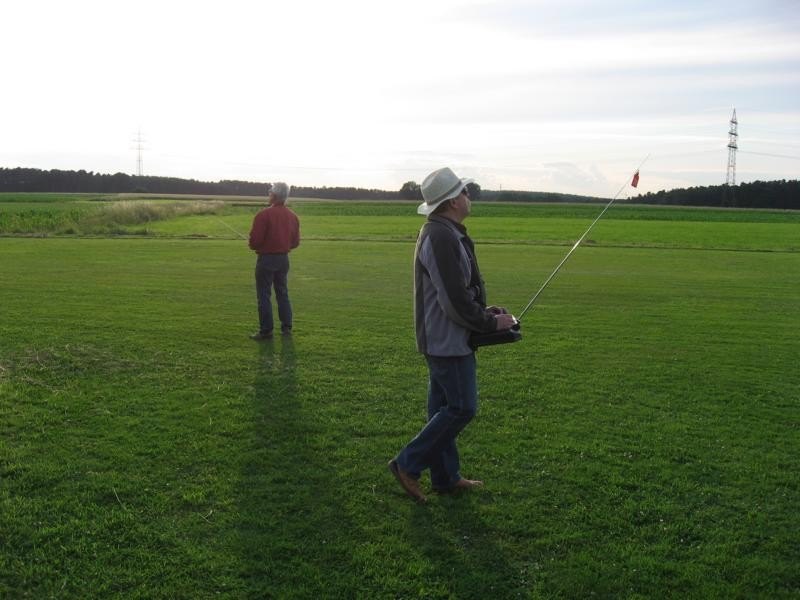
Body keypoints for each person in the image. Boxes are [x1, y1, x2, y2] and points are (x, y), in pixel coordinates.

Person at [389, 167, 517, 502]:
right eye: (463, 192)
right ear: (451, 202)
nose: (468, 196)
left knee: (442, 409)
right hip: (446, 339)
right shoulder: (441, 236)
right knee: (461, 407)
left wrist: (486, 312)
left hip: (445, 336)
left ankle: (445, 478)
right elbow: (453, 299)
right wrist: (489, 324)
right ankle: (407, 464)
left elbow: (458, 291)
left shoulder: (444, 232)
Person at [248, 182, 300, 341]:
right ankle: (286, 327)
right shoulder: (293, 216)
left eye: (270, 192)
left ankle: (266, 330)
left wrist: (253, 244)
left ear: (274, 195)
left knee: (264, 295)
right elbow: (295, 242)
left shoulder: (263, 215)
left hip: (266, 260)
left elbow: (254, 242)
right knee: (282, 293)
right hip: (283, 259)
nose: (268, 194)